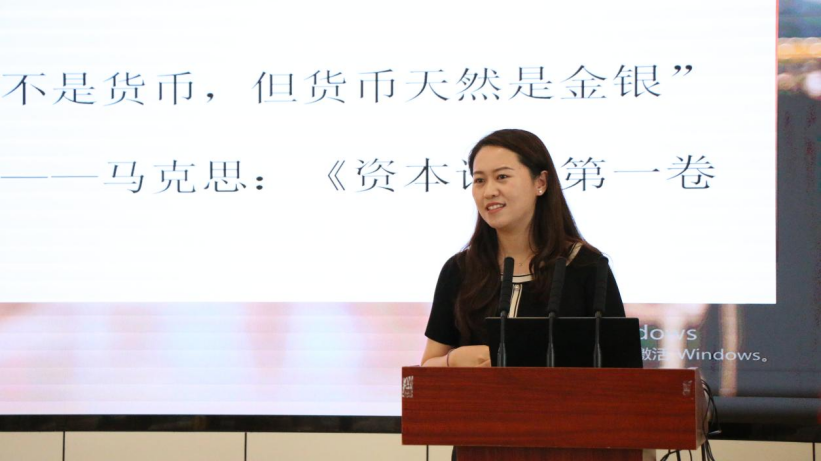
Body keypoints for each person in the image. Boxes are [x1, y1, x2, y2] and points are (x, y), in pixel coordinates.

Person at [421, 129, 626, 368]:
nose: (489, 191)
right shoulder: (460, 269)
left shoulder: (587, 266)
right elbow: (427, 367)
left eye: (502, 177)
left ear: (540, 183)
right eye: (479, 180)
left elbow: (621, 368)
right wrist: (453, 360)